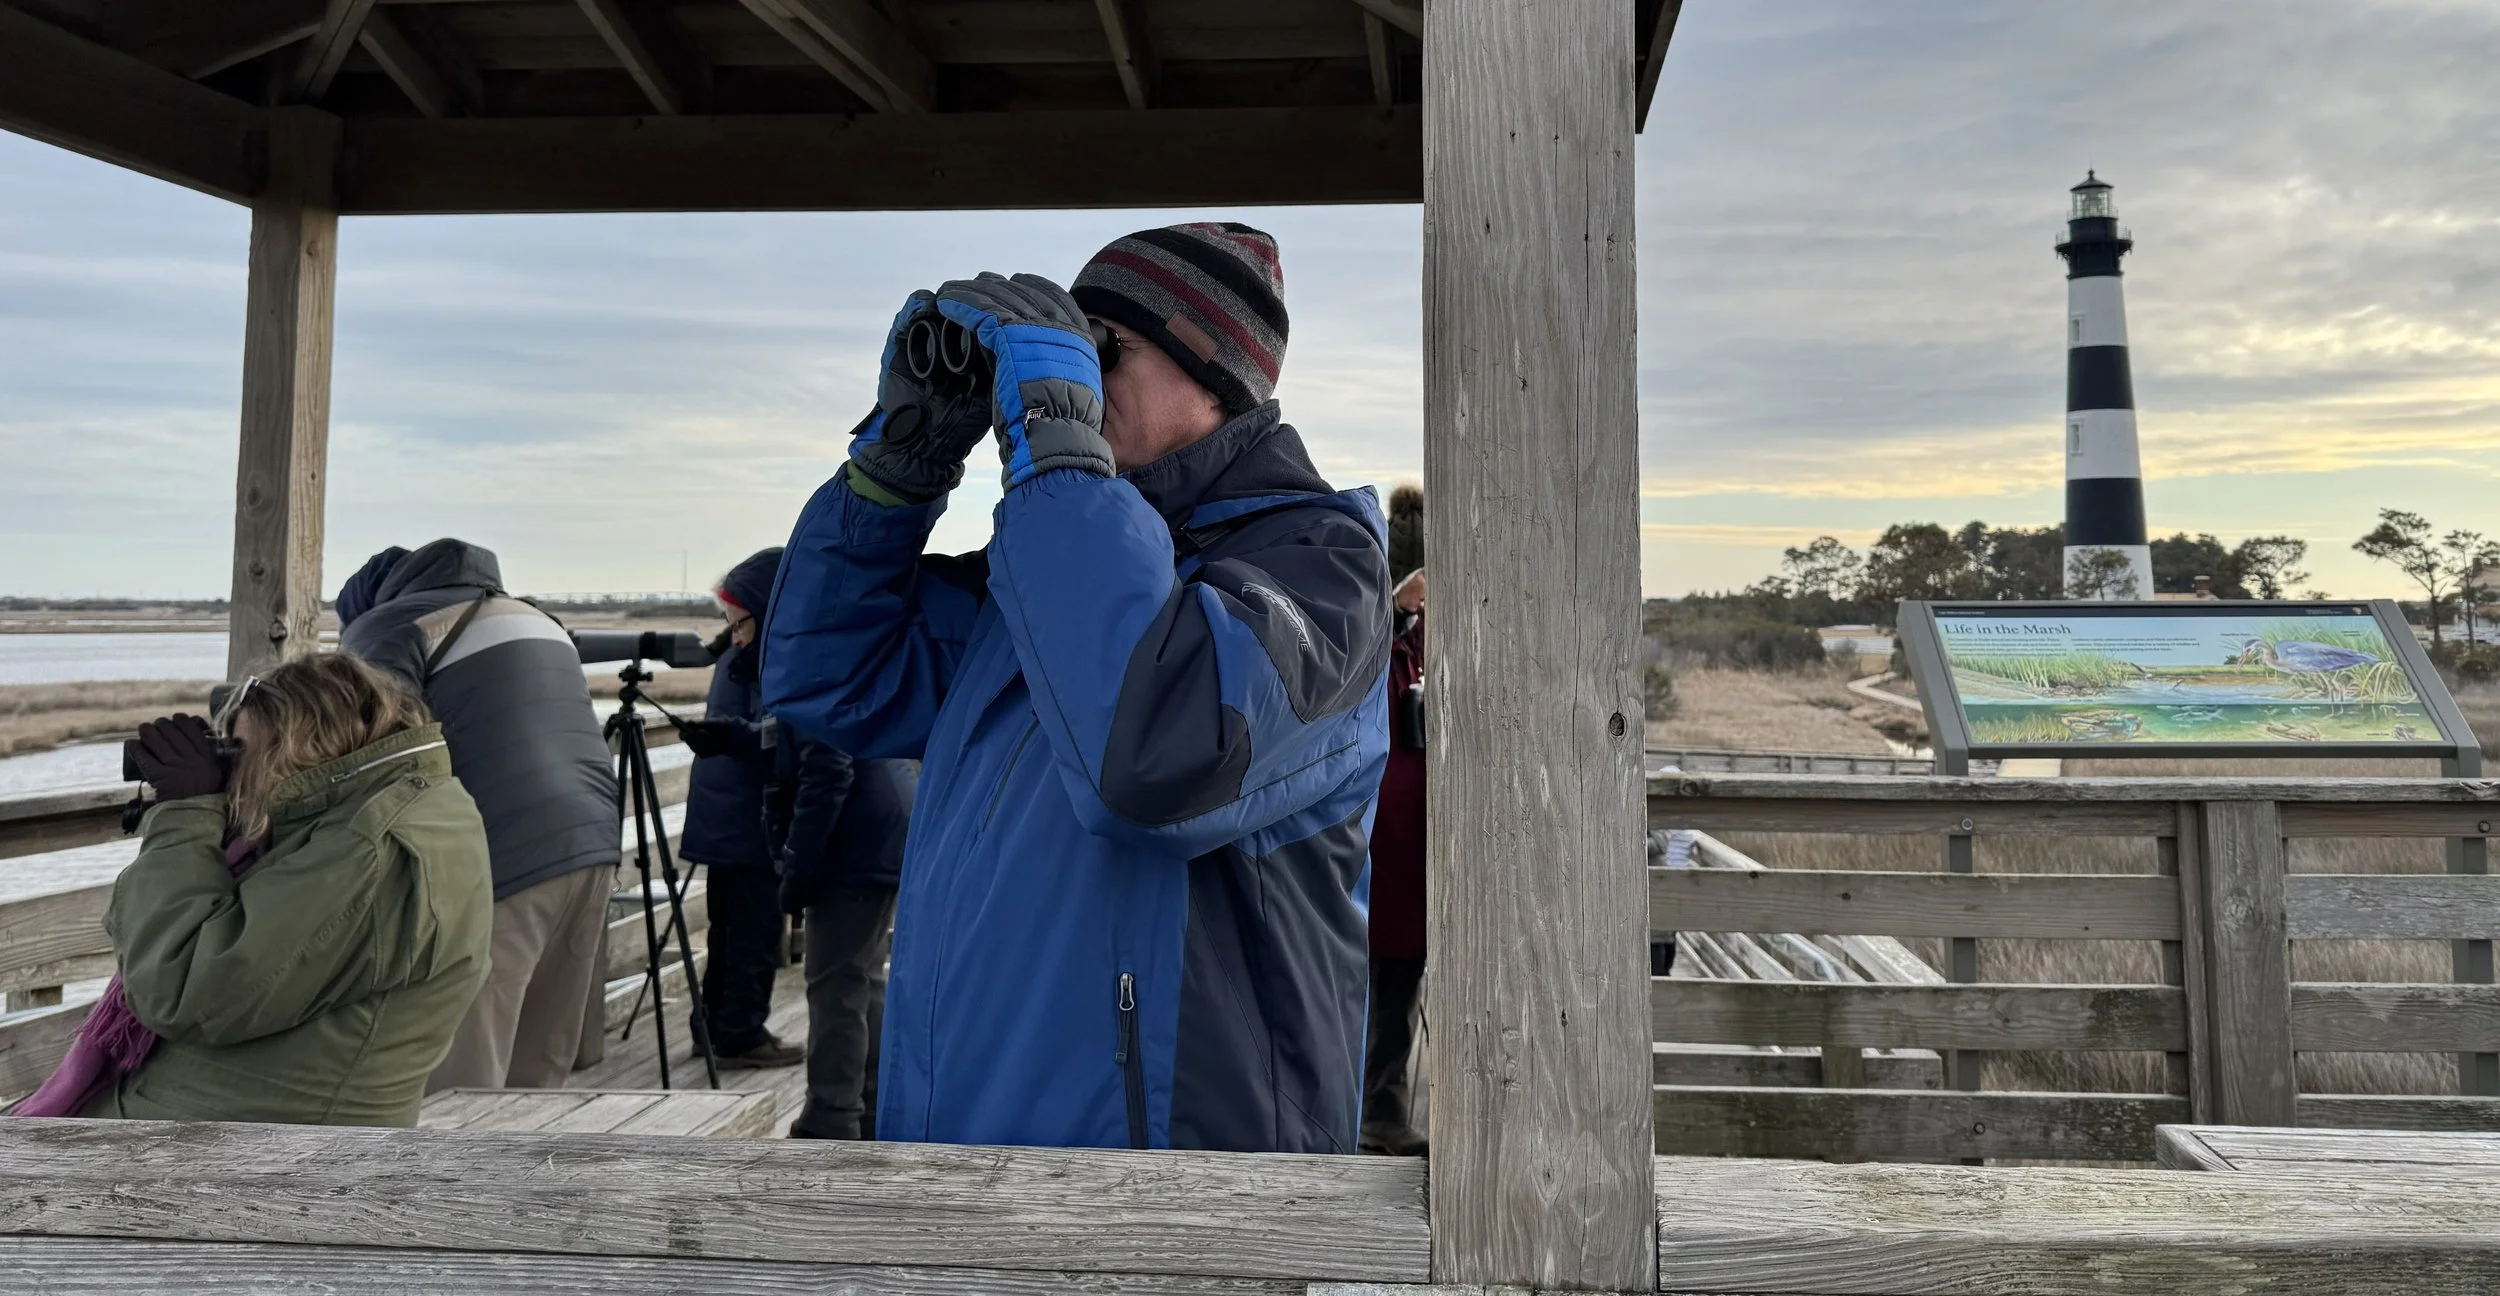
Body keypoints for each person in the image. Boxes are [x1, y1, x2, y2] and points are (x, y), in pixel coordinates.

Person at [766, 223, 1394, 1151]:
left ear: (1214, 371)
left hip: (1177, 1186)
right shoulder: (1045, 572)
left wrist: (1059, 461)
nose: (1078, 385)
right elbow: (831, 674)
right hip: (960, 1150)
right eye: (1066, 354)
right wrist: (902, 464)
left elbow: (1157, 764)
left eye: (1103, 351)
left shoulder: (1323, 569)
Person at [13, 654, 492, 1125]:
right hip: (269, 1124)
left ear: (300, 746)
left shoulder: (367, 850)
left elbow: (179, 990)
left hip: (251, 1154)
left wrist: (185, 812)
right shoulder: (408, 804)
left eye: (242, 752)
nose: (236, 775)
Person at [335, 539, 620, 1091]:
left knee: (466, 1077)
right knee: (539, 1069)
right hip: (594, 845)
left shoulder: (390, 626)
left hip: (502, 857)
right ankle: (531, 1177)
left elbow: (363, 757)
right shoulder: (537, 617)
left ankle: (460, 1182)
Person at [672, 547, 807, 1069]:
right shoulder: (762, 654)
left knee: (727, 931)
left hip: (723, 817)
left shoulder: (735, 652)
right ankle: (740, 1034)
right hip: (749, 820)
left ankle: (711, 1026)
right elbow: (774, 735)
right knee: (751, 932)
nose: (733, 629)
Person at [773, 732, 915, 1139]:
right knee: (865, 978)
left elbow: (828, 768)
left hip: (855, 844)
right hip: (889, 829)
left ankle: (831, 1116)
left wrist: (798, 871)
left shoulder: (804, 676)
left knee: (835, 987)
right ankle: (870, 1107)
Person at [1362, 484, 1429, 1156]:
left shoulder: (1426, 649)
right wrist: (1394, 612)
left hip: (1410, 851)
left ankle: (1381, 1112)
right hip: (1379, 846)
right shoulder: (1375, 638)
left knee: (1395, 991)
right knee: (1379, 989)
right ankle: (1375, 1114)